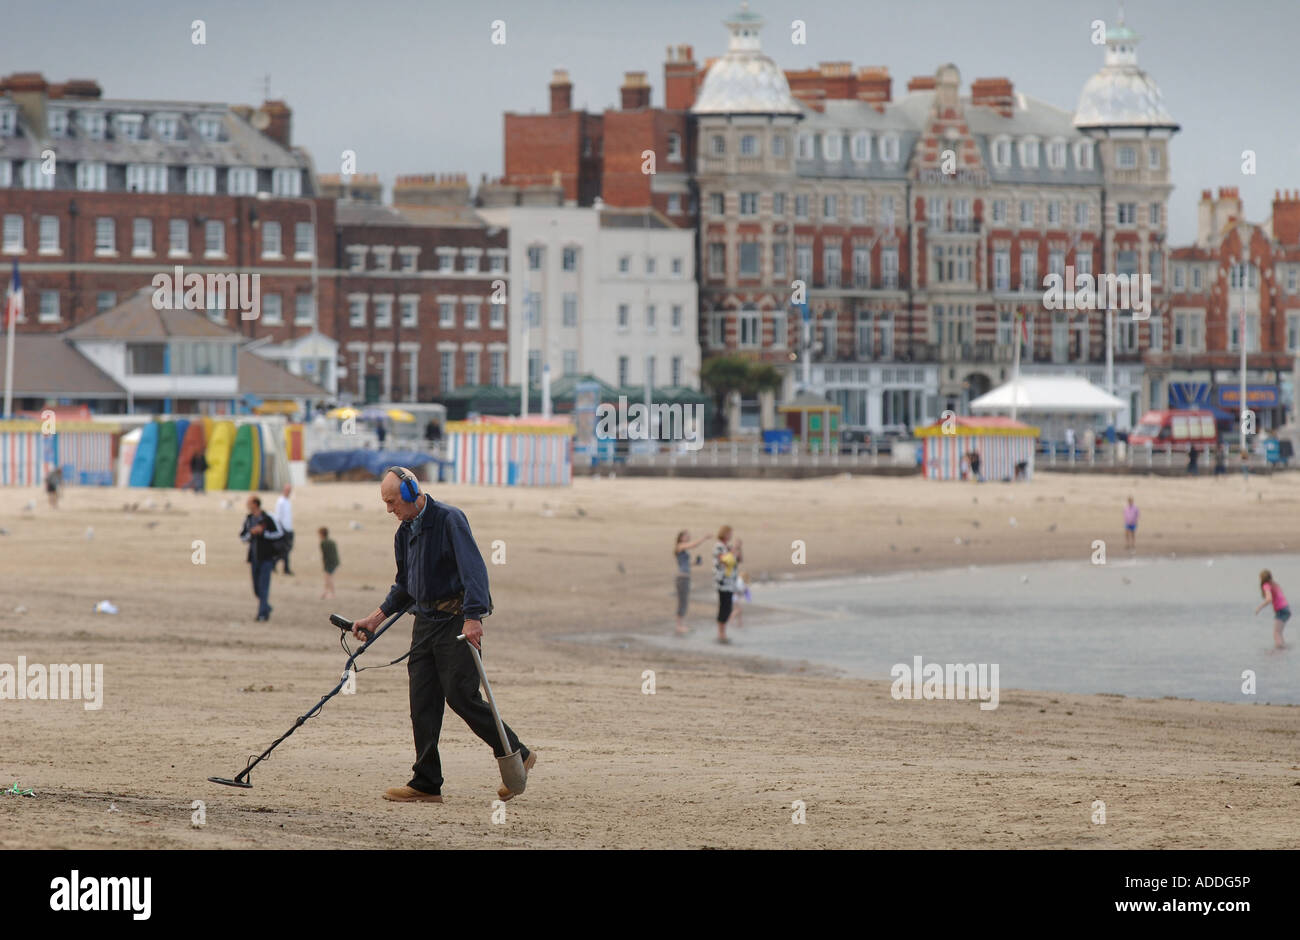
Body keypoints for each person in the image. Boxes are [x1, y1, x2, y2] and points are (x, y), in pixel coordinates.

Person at [347, 467, 535, 803]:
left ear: (409, 493)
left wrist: (474, 617)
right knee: (422, 702)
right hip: (424, 622)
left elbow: (474, 570)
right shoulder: (404, 533)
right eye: (386, 503)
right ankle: (426, 782)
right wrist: (375, 618)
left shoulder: (449, 519)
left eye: (392, 501)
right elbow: (405, 586)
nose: (390, 509)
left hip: (456, 620)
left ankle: (516, 752)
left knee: (461, 696)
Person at [239, 496, 282, 621]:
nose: (247, 505)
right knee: (256, 588)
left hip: (267, 557)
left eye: (249, 503)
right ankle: (266, 607)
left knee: (264, 586)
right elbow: (242, 537)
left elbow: (279, 533)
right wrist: (251, 533)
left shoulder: (268, 518)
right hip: (253, 558)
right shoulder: (248, 519)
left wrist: (263, 533)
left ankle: (262, 614)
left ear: (255, 504)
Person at [673, 530, 709, 636]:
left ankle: (681, 624)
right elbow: (693, 545)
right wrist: (704, 538)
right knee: (682, 602)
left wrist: (696, 563)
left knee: (684, 602)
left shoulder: (683, 549)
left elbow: (686, 564)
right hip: (682, 578)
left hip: (686, 577)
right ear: (680, 537)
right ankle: (679, 626)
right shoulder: (679, 546)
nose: (688, 537)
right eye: (686, 536)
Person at [712, 525, 739, 644]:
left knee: (728, 607)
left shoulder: (728, 547)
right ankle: (721, 633)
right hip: (722, 581)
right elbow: (724, 560)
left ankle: (723, 632)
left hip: (730, 581)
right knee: (724, 606)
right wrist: (734, 550)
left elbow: (738, 559)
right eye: (729, 533)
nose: (731, 535)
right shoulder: (718, 546)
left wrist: (738, 548)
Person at [1254, 569, 1291, 650]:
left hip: (1281, 610)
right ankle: (1284, 650)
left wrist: (1259, 608)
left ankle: (1279, 652)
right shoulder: (1274, 584)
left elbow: (1269, 599)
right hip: (1286, 609)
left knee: (1276, 633)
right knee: (1279, 633)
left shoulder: (1266, 585)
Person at [273, 484, 295, 575]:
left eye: (289, 490)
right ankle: (284, 567)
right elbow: (278, 516)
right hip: (283, 529)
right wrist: (280, 528)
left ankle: (280, 566)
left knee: (288, 549)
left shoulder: (288, 501)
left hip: (289, 528)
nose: (288, 492)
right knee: (285, 549)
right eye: (287, 490)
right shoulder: (280, 501)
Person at [319, 526, 339, 600]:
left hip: (330, 562)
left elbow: (324, 555)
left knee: (328, 578)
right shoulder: (332, 541)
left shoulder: (323, 543)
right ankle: (326, 592)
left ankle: (332, 594)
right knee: (328, 578)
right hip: (335, 561)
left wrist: (325, 565)